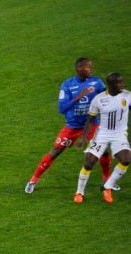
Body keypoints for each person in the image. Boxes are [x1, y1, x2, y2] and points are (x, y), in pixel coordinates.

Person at [25, 58, 116, 194]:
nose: (91, 69)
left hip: (92, 124)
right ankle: (33, 180)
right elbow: (62, 109)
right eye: (88, 67)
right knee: (55, 151)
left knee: (103, 152)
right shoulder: (67, 85)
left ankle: (107, 181)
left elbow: (107, 97)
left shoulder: (96, 81)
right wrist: (78, 97)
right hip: (72, 126)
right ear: (79, 69)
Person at [73, 73, 131, 203]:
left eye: (122, 82)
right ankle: (79, 193)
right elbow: (90, 119)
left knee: (126, 159)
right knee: (89, 162)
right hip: (102, 134)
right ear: (111, 85)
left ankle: (107, 186)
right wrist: (83, 137)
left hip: (120, 134)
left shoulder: (128, 95)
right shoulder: (98, 99)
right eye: (119, 83)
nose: (122, 85)